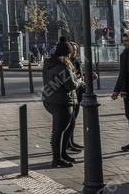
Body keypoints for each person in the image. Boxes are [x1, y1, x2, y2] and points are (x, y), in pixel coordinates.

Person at [41, 37, 82, 168]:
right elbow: (70, 85)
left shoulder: (49, 64)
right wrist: (80, 81)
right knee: (60, 130)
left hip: (50, 100)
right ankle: (57, 159)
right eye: (70, 53)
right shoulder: (63, 66)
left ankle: (61, 155)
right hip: (63, 101)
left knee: (59, 129)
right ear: (67, 53)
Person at [64, 41, 90, 155]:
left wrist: (88, 77)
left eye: (76, 50)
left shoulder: (77, 62)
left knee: (73, 120)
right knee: (70, 120)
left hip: (78, 94)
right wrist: (80, 80)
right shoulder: (67, 63)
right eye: (72, 50)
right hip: (71, 94)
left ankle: (71, 141)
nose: (74, 52)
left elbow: (81, 76)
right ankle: (67, 144)